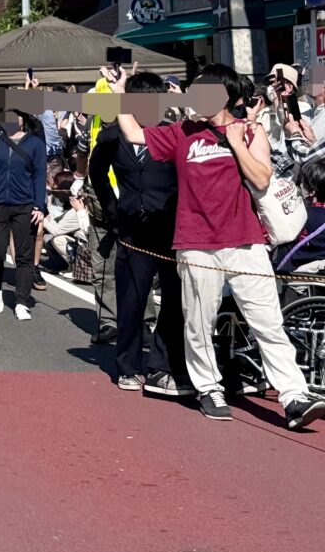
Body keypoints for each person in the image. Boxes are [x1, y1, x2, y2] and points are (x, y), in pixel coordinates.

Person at [112, 63, 325, 430]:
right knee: (198, 322)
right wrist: (120, 94)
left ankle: (293, 396)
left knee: (268, 323)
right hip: (195, 244)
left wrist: (234, 139)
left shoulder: (250, 131)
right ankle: (208, 386)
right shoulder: (181, 133)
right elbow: (133, 133)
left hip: (245, 242)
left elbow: (260, 176)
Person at [89, 71, 192, 396]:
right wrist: (112, 209)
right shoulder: (112, 136)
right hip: (131, 227)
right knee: (131, 299)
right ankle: (128, 366)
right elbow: (96, 172)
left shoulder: (173, 134)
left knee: (174, 300)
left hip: (169, 228)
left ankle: (161, 366)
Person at [0, 109, 47, 320]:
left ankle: (22, 301)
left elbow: (40, 175)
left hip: (25, 205)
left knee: (24, 256)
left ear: (23, 119)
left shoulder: (35, 144)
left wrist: (39, 206)